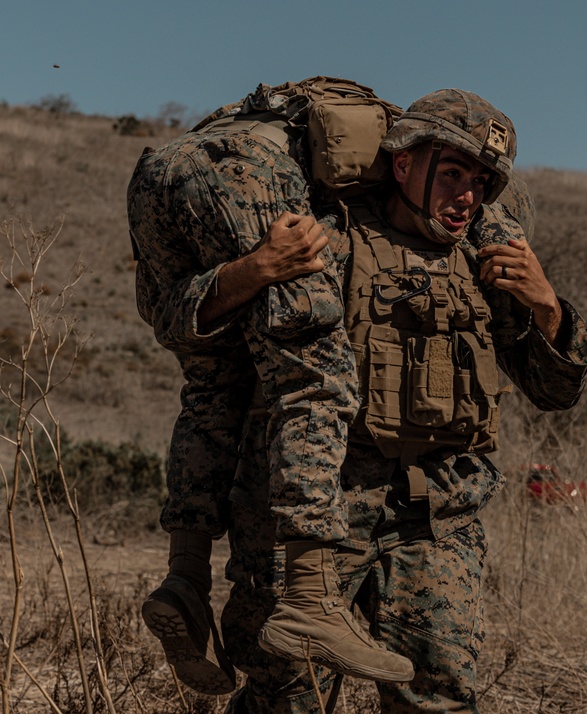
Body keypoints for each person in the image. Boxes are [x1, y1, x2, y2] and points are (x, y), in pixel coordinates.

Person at [206, 88, 587, 712]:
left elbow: (558, 393)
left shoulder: (489, 263)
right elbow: (218, 360)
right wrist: (255, 269)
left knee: (438, 697)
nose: (466, 196)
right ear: (401, 165)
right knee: (289, 696)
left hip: (438, 517)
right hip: (320, 515)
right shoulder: (324, 241)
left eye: (479, 182)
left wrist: (546, 304)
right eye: (450, 174)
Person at [127, 77, 414, 694]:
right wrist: (265, 263)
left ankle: (186, 579)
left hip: (155, 172)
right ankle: (311, 599)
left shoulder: (263, 108)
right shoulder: (385, 138)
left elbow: (173, 319)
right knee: (314, 377)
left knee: (212, 385)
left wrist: (245, 275)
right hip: (242, 176)